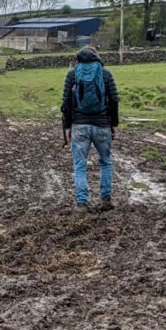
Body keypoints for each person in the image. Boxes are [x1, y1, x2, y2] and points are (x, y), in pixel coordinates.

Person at [61, 45, 120, 211]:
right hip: (102, 125)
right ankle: (106, 199)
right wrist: (114, 123)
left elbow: (66, 103)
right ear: (96, 56)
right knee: (106, 162)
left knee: (80, 165)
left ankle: (81, 203)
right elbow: (114, 101)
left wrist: (67, 126)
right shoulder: (105, 73)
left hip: (79, 125)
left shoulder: (72, 74)